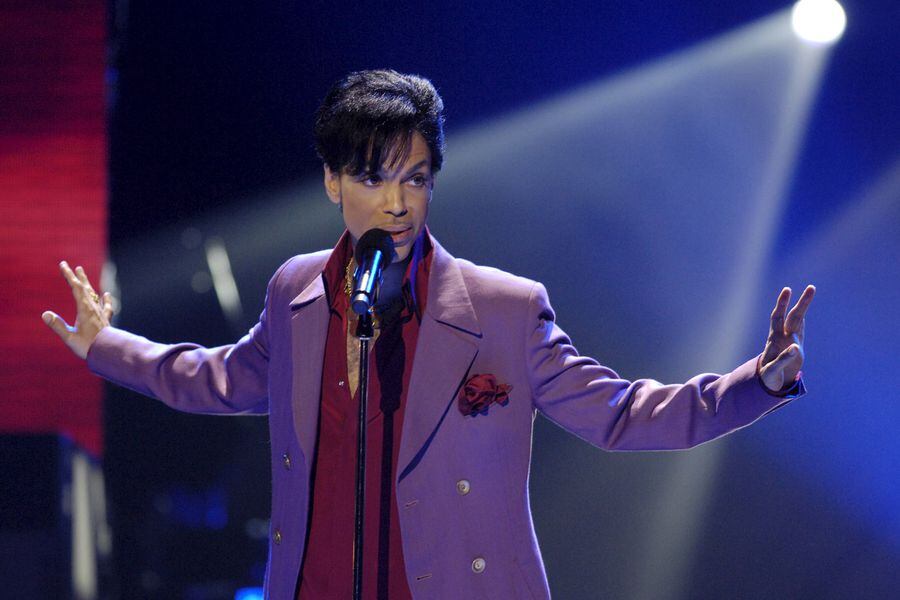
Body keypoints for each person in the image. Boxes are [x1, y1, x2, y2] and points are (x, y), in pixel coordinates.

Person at [43, 69, 814, 600]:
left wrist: (759, 382)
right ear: (332, 181)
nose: (399, 203)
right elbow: (219, 378)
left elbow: (619, 413)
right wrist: (108, 345)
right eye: (375, 177)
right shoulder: (296, 290)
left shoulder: (503, 309)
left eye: (416, 177)